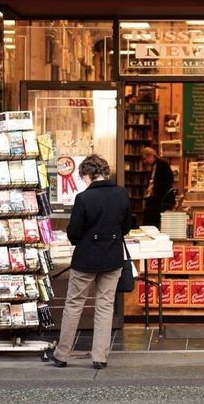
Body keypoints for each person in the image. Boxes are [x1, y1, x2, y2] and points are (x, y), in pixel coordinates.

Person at [46, 155, 133, 369]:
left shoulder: (84, 198)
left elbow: (74, 234)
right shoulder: (121, 193)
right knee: (105, 305)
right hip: (112, 258)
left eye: (83, 177)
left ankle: (62, 354)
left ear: (87, 175)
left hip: (86, 259)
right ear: (105, 172)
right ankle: (100, 357)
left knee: (74, 304)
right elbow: (127, 226)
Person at [141, 146, 174, 227]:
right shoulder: (155, 165)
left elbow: (168, 180)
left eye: (145, 159)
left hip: (159, 198)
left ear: (151, 156)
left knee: (152, 219)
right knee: (148, 216)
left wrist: (155, 190)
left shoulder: (162, 164)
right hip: (155, 197)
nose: (145, 161)